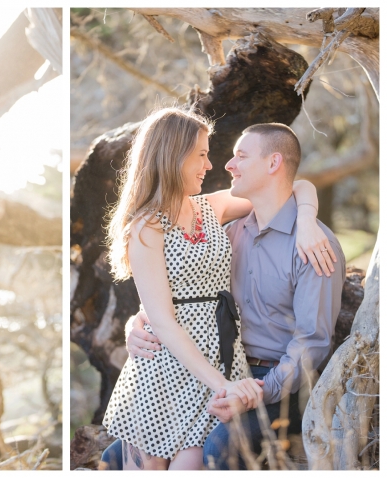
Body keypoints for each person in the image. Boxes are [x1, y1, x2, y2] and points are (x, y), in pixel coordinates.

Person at [100, 108, 333, 470]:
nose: (212, 165)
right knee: (135, 464)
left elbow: (293, 184)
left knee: (194, 462)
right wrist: (140, 322)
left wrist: (306, 219)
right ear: (172, 155)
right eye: (202, 155)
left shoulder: (212, 208)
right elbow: (162, 314)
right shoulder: (147, 224)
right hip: (170, 365)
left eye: (210, 155)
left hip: (223, 361)